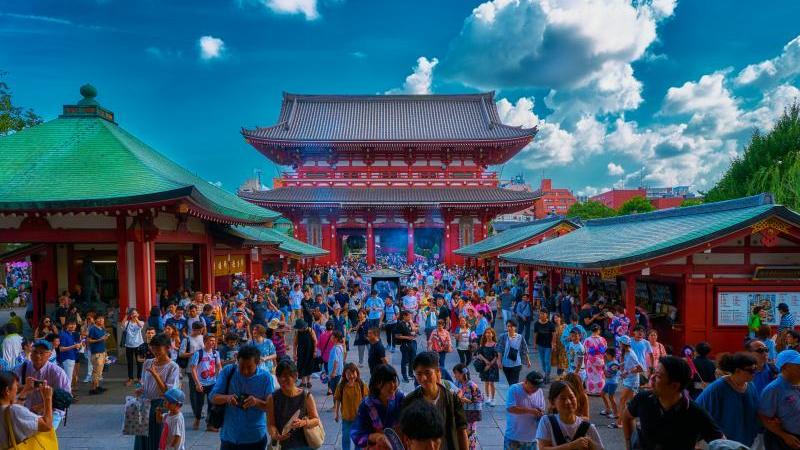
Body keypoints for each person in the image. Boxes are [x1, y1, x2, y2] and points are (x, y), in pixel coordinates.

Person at [622, 356, 723, 450]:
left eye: (658, 376)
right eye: (654, 373)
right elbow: (626, 417)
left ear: (674, 386)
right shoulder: (643, 399)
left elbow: (722, 442)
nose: (651, 378)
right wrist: (628, 444)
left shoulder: (695, 413)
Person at [210, 345, 275, 450]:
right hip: (230, 436)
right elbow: (213, 397)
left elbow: (271, 407)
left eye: (249, 367)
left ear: (258, 363)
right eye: (241, 367)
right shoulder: (228, 372)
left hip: (254, 437)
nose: (245, 371)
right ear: (237, 361)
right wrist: (227, 398)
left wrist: (256, 402)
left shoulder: (265, 378)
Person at [403, 352, 469, 450]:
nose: (423, 378)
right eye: (419, 374)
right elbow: (406, 434)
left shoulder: (452, 399)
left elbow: (461, 430)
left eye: (427, 373)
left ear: (438, 372)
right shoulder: (410, 401)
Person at [696, 352, 760, 447]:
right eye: (751, 370)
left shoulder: (751, 386)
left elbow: (755, 411)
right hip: (724, 444)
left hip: (746, 443)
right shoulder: (717, 388)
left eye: (755, 369)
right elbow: (699, 414)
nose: (754, 373)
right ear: (738, 370)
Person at [134, 333, 181, 450]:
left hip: (160, 406)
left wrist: (156, 375)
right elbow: (143, 382)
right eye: (153, 348)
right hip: (144, 404)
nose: (155, 351)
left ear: (168, 348)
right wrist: (140, 389)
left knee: (157, 436)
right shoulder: (148, 362)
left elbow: (168, 392)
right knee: (142, 437)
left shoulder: (173, 367)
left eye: (158, 348)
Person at [266, 359, 321, 450]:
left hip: (304, 445)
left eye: (286, 376)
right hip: (284, 446)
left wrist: (303, 422)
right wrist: (275, 435)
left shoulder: (306, 396)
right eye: (280, 376)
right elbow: (270, 424)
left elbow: (316, 420)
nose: (282, 380)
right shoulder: (272, 398)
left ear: (295, 376)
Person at [15, 339, 70, 428]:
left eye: (42, 353)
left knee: (46, 431)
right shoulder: (22, 368)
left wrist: (42, 405)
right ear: (31, 353)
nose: (38, 356)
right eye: (35, 352)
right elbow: (11, 389)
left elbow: (66, 398)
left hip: (52, 411)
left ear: (49, 355)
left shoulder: (57, 372)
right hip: (27, 410)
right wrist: (25, 388)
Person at [536, 381, 605, 450]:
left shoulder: (587, 427)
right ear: (552, 403)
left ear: (577, 399)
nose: (568, 402)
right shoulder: (547, 422)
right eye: (563, 398)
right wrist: (571, 446)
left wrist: (591, 444)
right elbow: (542, 448)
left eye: (571, 397)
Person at [351, 364, 405, 449]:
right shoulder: (366, 405)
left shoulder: (400, 398)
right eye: (387, 382)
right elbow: (356, 434)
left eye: (394, 381)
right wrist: (376, 437)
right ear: (377, 384)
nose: (393, 385)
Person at [758, 349, 800, 449]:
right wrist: (785, 436)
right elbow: (763, 417)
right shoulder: (773, 389)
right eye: (799, 366)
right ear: (785, 367)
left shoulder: (795, 384)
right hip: (786, 440)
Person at [0, 371, 54, 446]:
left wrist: (25, 391)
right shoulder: (14, 410)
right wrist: (47, 398)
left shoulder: (10, 410)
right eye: (16, 386)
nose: (17, 390)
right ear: (7, 390)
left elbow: (10, 412)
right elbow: (47, 425)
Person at [503, 369, 546, 450]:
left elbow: (542, 409)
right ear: (526, 381)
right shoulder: (514, 389)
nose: (535, 390)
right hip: (514, 437)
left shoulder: (539, 391)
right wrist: (531, 411)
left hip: (532, 438)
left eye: (537, 387)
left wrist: (540, 413)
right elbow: (510, 408)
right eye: (533, 387)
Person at [189, 334, 221, 431]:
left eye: (214, 340)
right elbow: (193, 369)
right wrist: (197, 383)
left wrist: (220, 378)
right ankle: (197, 418)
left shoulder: (216, 353)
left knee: (212, 404)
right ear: (205, 341)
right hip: (201, 384)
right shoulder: (198, 353)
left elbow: (218, 366)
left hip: (212, 383)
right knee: (199, 404)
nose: (213, 342)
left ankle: (210, 424)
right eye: (210, 340)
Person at [334, 363, 368, 450]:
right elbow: (337, 399)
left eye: (353, 373)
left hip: (359, 418)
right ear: (345, 374)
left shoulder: (361, 384)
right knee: (345, 437)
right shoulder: (341, 386)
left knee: (358, 439)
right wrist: (336, 413)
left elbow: (367, 400)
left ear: (357, 373)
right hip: (346, 417)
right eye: (349, 374)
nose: (351, 376)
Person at [612, 335, 642, 429]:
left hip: (632, 381)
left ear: (624, 344)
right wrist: (619, 366)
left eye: (620, 342)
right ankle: (640, 420)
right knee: (633, 402)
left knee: (622, 400)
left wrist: (627, 372)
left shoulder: (632, 354)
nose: (619, 344)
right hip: (628, 379)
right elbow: (627, 363)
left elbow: (640, 368)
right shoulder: (626, 352)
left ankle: (619, 422)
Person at [452, 363, 483, 450]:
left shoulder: (472, 385)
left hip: (470, 415)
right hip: (459, 413)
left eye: (456, 373)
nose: (454, 375)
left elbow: (480, 399)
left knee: (470, 434)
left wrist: (467, 401)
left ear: (462, 374)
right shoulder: (456, 383)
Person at [498, 319, 530, 385]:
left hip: (517, 364)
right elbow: (500, 350)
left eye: (511, 326)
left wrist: (528, 360)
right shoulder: (503, 337)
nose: (509, 328)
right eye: (508, 326)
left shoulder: (520, 337)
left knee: (514, 383)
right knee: (510, 382)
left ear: (515, 327)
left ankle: (514, 391)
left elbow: (524, 350)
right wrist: (499, 361)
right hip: (505, 364)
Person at [475, 327, 500, 406]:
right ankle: (488, 398)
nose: (488, 334)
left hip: (493, 366)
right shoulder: (483, 344)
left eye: (489, 333)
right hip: (484, 366)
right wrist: (486, 361)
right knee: (486, 382)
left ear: (493, 334)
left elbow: (496, 356)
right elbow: (479, 354)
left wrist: (490, 364)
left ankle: (493, 399)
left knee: (491, 383)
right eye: (486, 333)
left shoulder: (495, 344)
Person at [121, 308, 145, 387]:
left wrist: (136, 318)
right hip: (129, 345)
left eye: (135, 313)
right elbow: (122, 325)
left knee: (139, 362)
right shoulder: (127, 322)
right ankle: (130, 378)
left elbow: (140, 325)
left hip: (139, 345)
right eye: (132, 314)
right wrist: (126, 314)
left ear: (138, 314)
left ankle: (139, 378)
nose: (133, 315)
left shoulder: (141, 322)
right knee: (130, 363)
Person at [87, 314, 109, 395]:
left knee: (99, 372)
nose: (101, 320)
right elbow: (89, 340)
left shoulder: (102, 328)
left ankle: (97, 386)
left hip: (102, 352)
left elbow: (103, 341)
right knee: (96, 372)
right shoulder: (93, 329)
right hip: (96, 353)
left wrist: (105, 352)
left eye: (102, 319)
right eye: (99, 319)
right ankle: (93, 389)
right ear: (95, 320)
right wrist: (99, 339)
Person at [532, 310, 555, 383]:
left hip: (548, 345)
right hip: (540, 345)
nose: (541, 315)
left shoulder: (550, 324)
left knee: (547, 361)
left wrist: (553, 343)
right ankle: (545, 373)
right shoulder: (536, 324)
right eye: (540, 314)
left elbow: (554, 335)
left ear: (546, 315)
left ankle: (547, 376)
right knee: (542, 361)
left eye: (543, 314)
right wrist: (535, 343)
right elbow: (535, 334)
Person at [292, 318, 316, 389]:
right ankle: (303, 382)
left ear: (303, 327)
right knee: (301, 365)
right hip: (301, 352)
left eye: (299, 328)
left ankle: (308, 381)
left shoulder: (310, 330)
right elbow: (295, 344)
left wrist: (315, 351)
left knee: (309, 366)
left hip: (310, 351)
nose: (298, 329)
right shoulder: (297, 333)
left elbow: (315, 341)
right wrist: (294, 354)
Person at [57, 320, 81, 391]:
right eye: (71, 324)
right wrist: (74, 346)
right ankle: (67, 394)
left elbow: (73, 346)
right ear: (66, 325)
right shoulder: (63, 335)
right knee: (68, 379)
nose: (73, 326)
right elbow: (61, 349)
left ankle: (68, 394)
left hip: (72, 358)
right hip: (67, 359)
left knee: (68, 379)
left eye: (74, 324)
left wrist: (78, 346)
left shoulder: (71, 334)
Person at [583, 324, 607, 394]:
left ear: (591, 330)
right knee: (600, 374)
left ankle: (591, 390)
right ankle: (600, 390)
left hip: (591, 359)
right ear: (598, 330)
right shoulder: (603, 339)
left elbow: (584, 350)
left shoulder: (587, 340)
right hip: (600, 359)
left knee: (591, 375)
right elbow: (605, 349)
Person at [600, 348, 620, 423]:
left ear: (611, 355)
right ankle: (608, 409)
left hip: (613, 383)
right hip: (609, 382)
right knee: (602, 394)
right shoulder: (610, 362)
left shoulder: (614, 364)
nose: (606, 356)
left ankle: (616, 413)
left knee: (611, 398)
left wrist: (604, 370)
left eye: (607, 355)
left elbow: (609, 375)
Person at [327, 331, 345, 395]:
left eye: (332, 337)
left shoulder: (335, 348)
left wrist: (333, 372)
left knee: (335, 392)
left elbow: (336, 361)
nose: (330, 338)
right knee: (337, 391)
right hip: (339, 372)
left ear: (336, 339)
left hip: (335, 373)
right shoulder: (340, 346)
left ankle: (336, 402)